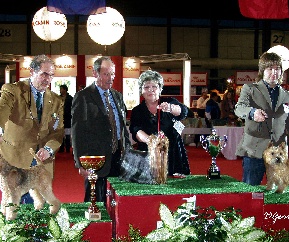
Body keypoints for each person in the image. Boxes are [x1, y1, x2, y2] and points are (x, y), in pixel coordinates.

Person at [0, 54, 65, 203]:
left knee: (40, 206)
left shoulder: (56, 100)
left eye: (51, 75)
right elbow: (1, 109)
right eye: (44, 74)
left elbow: (57, 132)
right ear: (32, 71)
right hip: (15, 158)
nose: (47, 79)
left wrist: (49, 149)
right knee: (15, 204)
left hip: (41, 162)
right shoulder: (13, 90)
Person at [234, 52, 289, 185]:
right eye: (270, 68)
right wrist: (252, 112)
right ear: (262, 70)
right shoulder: (249, 89)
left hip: (279, 153)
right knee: (251, 191)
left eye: (277, 69)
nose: (274, 72)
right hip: (254, 150)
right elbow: (239, 108)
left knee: (279, 191)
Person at [71, 56, 131, 202]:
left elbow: (122, 128)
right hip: (95, 159)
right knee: (95, 201)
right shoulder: (83, 97)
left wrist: (127, 151)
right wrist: (80, 163)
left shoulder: (117, 96)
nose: (110, 78)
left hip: (118, 159)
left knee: (116, 201)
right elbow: (77, 133)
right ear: (95, 73)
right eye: (106, 74)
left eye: (113, 74)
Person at [129, 70, 191, 177]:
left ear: (160, 89)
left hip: (173, 155)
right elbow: (135, 130)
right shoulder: (137, 111)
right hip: (148, 156)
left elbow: (183, 111)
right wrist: (151, 141)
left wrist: (171, 108)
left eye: (154, 86)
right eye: (146, 87)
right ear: (141, 91)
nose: (151, 90)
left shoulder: (170, 101)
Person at [59, 84, 72, 153]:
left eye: (61, 89)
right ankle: (61, 148)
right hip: (60, 118)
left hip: (67, 118)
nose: (60, 90)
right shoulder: (58, 98)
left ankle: (67, 147)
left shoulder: (70, 98)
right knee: (60, 134)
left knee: (67, 134)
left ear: (65, 89)